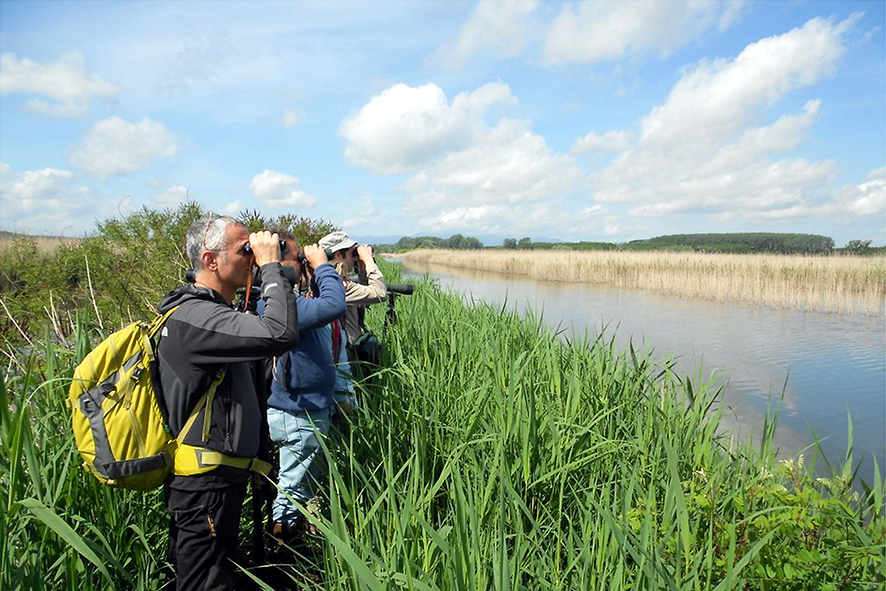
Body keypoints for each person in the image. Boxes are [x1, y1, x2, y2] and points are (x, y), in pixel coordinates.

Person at [155, 214, 299, 591]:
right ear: (210, 260)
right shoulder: (197, 318)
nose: (251, 256)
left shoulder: (212, 315)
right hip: (205, 488)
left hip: (216, 482)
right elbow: (280, 332)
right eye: (244, 250)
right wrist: (270, 267)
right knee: (206, 584)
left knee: (215, 576)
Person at [263, 230, 347, 550]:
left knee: (298, 484)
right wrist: (323, 266)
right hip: (299, 414)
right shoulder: (281, 305)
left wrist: (313, 272)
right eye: (297, 259)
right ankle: (284, 556)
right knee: (292, 490)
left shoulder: (283, 302)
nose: (301, 264)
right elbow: (333, 306)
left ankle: (291, 543)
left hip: (301, 410)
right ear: (280, 263)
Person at [318, 231, 387, 382]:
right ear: (338, 255)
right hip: (345, 355)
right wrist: (369, 261)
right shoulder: (339, 285)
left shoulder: (324, 280)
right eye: (352, 253)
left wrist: (361, 268)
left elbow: (362, 296)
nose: (354, 257)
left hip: (334, 352)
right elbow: (379, 293)